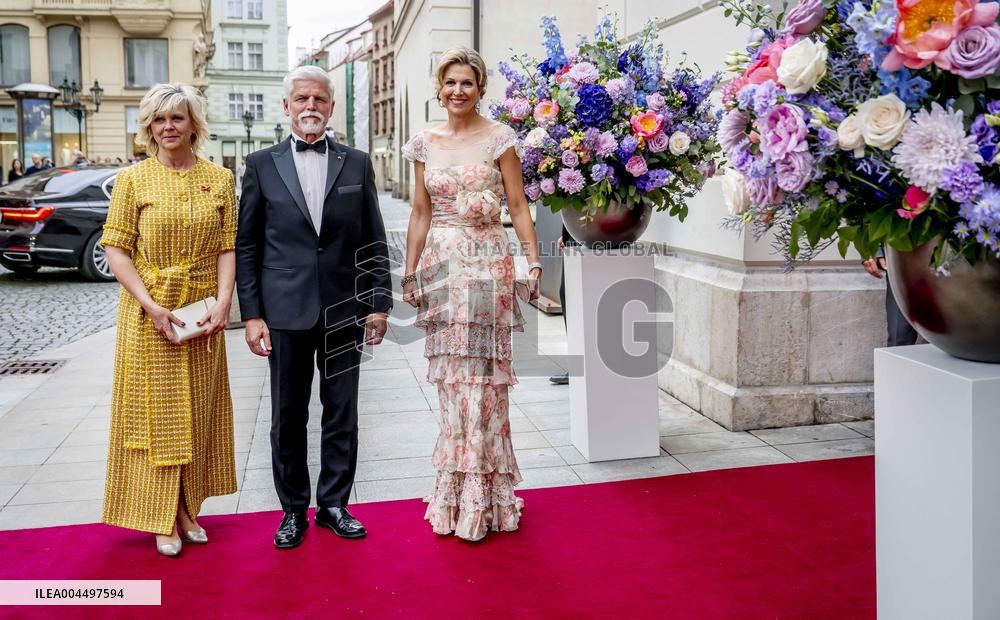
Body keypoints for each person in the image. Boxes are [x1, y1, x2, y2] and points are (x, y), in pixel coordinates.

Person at [236, 65, 393, 550]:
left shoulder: (357, 162)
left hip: (345, 306)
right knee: (287, 414)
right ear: (286, 106)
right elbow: (246, 246)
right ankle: (292, 511)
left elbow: (373, 238)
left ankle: (334, 504)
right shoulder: (262, 164)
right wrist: (253, 313)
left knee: (342, 410)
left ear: (330, 106)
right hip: (284, 310)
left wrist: (379, 304)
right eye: (301, 98)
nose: (310, 106)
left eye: (319, 99)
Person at [401, 46, 542, 542]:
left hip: (488, 265)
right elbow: (420, 212)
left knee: (484, 380)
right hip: (441, 265)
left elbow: (519, 205)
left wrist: (531, 258)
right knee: (451, 379)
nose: (457, 91)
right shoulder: (423, 143)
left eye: (467, 82)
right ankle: (455, 490)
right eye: (450, 82)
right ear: (439, 89)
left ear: (480, 88)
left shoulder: (500, 138)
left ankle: (489, 496)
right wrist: (410, 270)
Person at [99, 83, 238, 557]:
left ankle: (187, 508)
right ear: (148, 128)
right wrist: (150, 305)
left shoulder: (219, 179)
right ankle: (161, 516)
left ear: (194, 124)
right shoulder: (132, 179)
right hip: (150, 315)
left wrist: (223, 303)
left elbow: (227, 247)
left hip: (199, 316)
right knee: (158, 419)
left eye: (177, 118)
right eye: (159, 120)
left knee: (196, 414)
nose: (168, 127)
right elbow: (116, 248)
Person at [863, 253, 918, 346]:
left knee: (945, 341)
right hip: (901, 257)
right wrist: (873, 251)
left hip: (946, 253)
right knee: (899, 338)